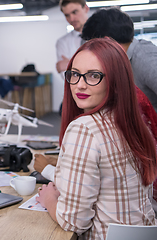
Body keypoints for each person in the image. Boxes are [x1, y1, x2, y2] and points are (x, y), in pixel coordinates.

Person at [36, 38, 157, 239]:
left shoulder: (84, 129)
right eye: (75, 74)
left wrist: (49, 199)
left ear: (116, 81)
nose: (79, 85)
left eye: (93, 76)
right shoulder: (134, 122)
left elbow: (74, 221)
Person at [81, 7, 157, 112]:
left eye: (93, 46)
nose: (93, 52)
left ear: (107, 41)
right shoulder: (118, 59)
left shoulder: (145, 58)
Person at [56, 0, 89, 115]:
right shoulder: (62, 42)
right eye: (67, 15)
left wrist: (70, 63)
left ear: (86, 8)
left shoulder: (101, 36)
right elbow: (66, 75)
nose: (72, 19)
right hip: (74, 98)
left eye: (75, 12)